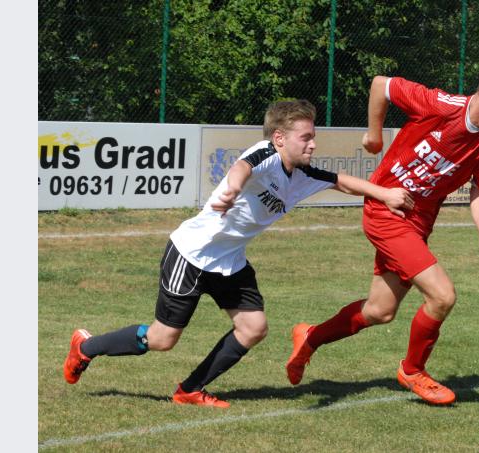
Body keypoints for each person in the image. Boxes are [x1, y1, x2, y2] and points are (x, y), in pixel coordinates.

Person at [63, 99, 414, 408]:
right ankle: (86, 347)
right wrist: (231, 188)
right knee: (162, 339)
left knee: (253, 327)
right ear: (280, 139)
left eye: (313, 136)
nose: (313, 144)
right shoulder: (263, 154)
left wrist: (384, 194)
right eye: (305, 137)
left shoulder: (303, 174)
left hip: (230, 262)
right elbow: (240, 169)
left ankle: (190, 389)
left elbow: (341, 181)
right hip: (192, 254)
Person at [286, 59, 479, 405]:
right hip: (386, 208)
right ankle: (413, 371)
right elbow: (380, 84)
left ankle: (310, 337)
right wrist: (374, 133)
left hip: (418, 222)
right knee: (442, 295)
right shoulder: (442, 106)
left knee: (379, 311)